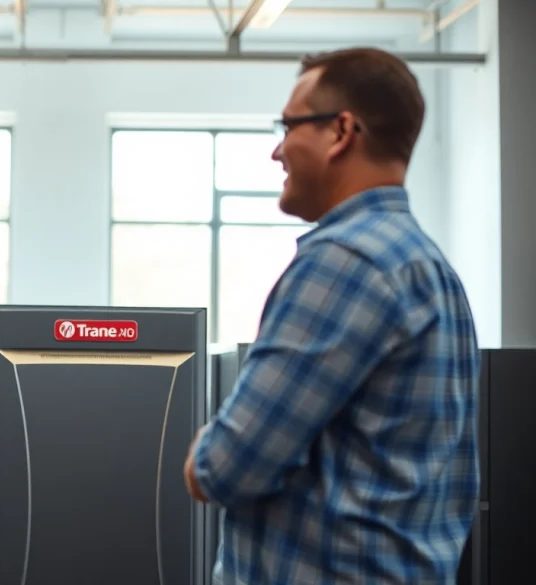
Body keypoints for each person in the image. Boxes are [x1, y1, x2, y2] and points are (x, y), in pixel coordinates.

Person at [183, 47, 480, 584]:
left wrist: (208, 441)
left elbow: (222, 469)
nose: (277, 151)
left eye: (290, 125)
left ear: (341, 131)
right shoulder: (432, 269)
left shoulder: (342, 263)